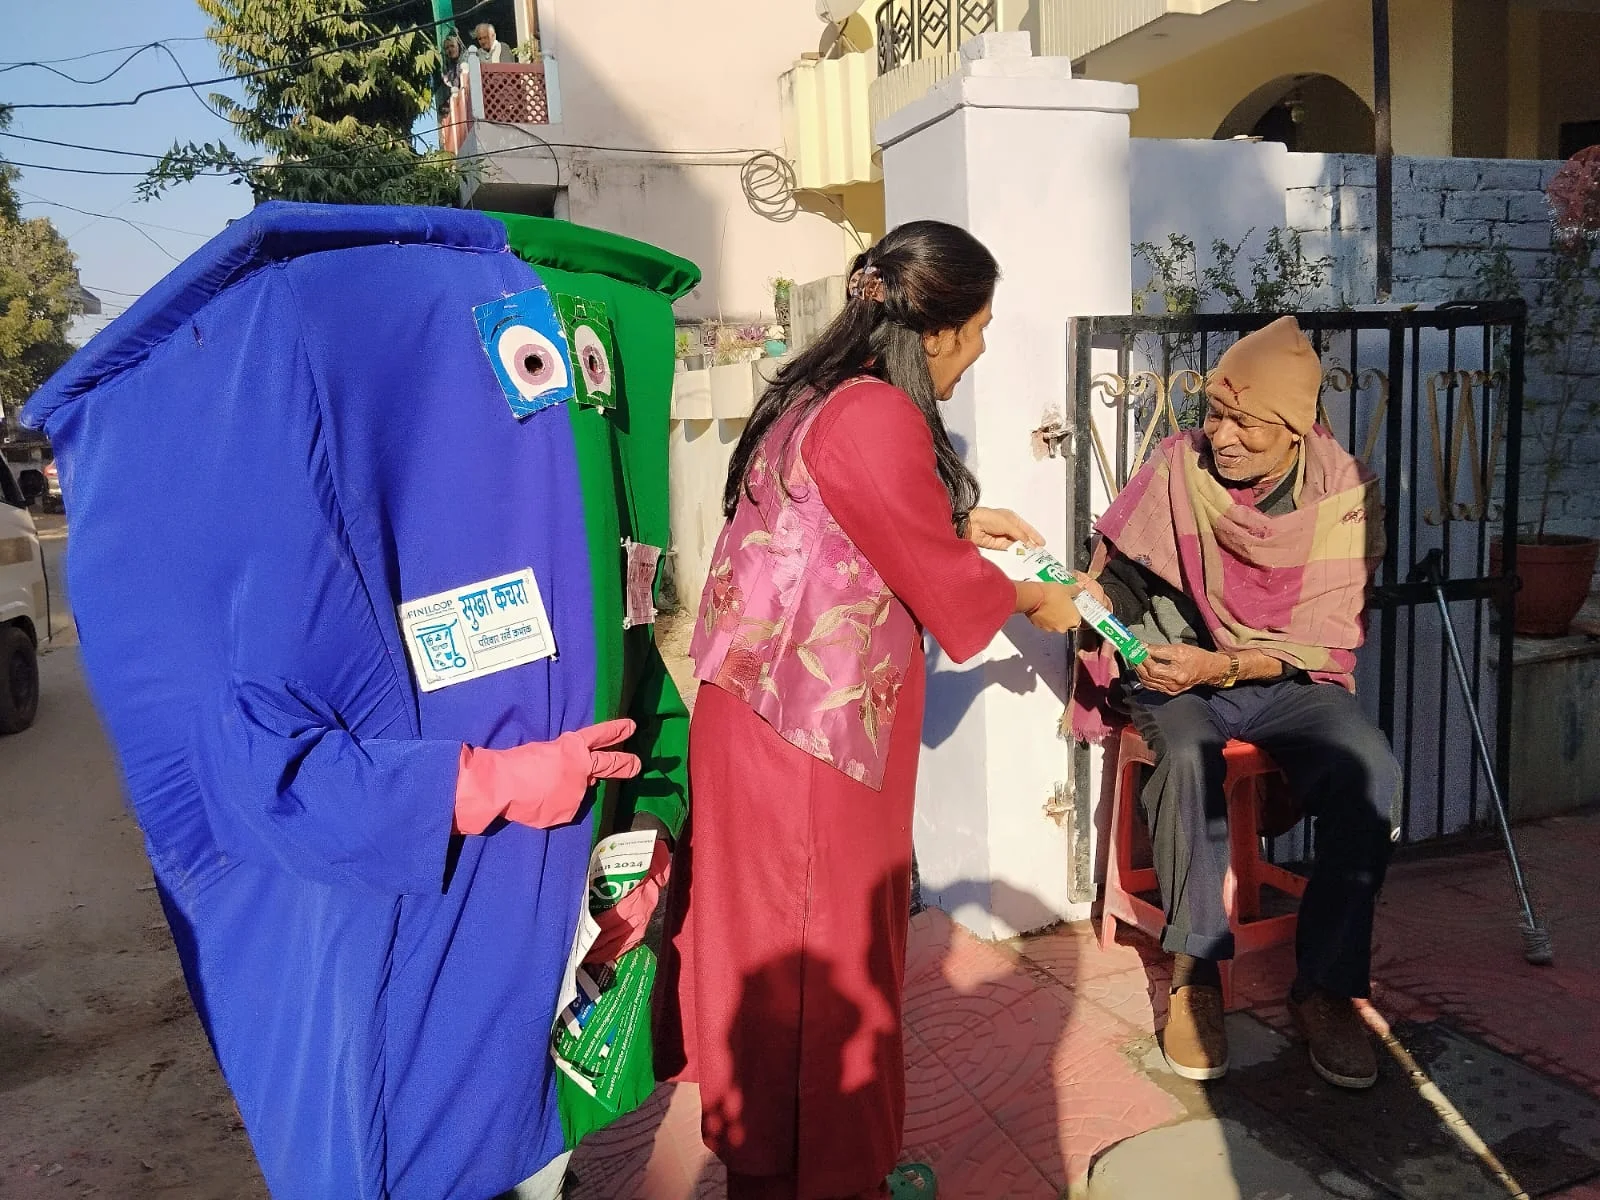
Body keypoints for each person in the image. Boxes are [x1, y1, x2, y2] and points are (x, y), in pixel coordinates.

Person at [22, 202, 695, 1200]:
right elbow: (258, 779)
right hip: (418, 966)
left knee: (531, 1133)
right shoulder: (268, 513)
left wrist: (641, 834)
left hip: (541, 929)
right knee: (429, 1147)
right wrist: (488, 782)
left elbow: (625, 653)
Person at [654, 221, 1081, 1200]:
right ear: (932, 333)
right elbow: (940, 586)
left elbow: (834, 520)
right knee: (828, 967)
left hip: (755, 721)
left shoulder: (814, 398)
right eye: (974, 332)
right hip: (813, 742)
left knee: (767, 954)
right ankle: (827, 1174)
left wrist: (959, 521)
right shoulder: (879, 415)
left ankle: (773, 1159)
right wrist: (1027, 595)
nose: (974, 355)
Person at [1069, 316, 1397, 1090]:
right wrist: (1095, 602)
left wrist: (1231, 663)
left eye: (1247, 421)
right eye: (1217, 414)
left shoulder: (1343, 494)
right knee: (1185, 757)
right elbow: (1120, 582)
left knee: (1371, 771)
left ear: (1294, 428)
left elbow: (1332, 630)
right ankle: (1196, 973)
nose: (1223, 435)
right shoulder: (1176, 469)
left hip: (1279, 678)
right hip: (1174, 675)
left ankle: (1325, 988)